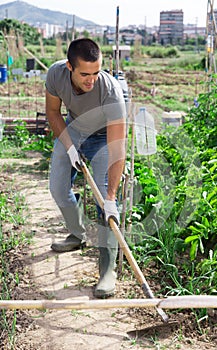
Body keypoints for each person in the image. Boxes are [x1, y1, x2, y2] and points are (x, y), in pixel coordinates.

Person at [45, 38, 126, 298]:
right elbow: (53, 112)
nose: (91, 80)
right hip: (75, 128)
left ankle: (107, 270)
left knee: (104, 201)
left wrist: (111, 197)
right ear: (70, 66)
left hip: (104, 137)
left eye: (96, 72)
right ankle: (77, 233)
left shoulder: (111, 92)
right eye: (84, 74)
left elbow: (117, 149)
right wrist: (69, 147)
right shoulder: (56, 75)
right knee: (58, 188)